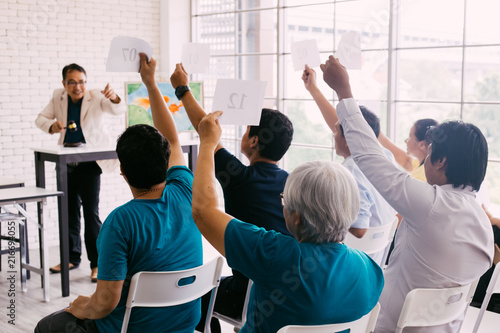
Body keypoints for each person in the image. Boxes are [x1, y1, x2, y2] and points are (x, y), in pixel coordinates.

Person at [321, 55, 494, 333]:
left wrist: (344, 92)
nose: (424, 162)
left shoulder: (432, 205)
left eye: (429, 156)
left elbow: (369, 155)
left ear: (441, 162)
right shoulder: (483, 226)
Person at [34, 55, 203, 333]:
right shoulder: (186, 189)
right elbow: (173, 139)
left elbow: (104, 304)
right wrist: (149, 81)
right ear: (167, 161)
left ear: (122, 170)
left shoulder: (120, 222)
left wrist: (79, 307)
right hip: (185, 323)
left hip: (132, 327)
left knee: (47, 325)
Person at [192, 110, 384, 332]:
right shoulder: (369, 269)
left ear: (297, 216)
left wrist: (207, 143)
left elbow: (202, 212)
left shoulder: (274, 254)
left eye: (284, 201)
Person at [169, 64, 294, 331]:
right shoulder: (294, 183)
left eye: (247, 129)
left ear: (253, 141)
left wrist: (182, 90)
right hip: (288, 288)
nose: (244, 132)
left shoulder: (241, 179)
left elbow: (208, 132)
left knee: (197, 298)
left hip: (250, 296)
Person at [35, 63, 125, 281]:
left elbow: (117, 109)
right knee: (68, 211)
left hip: (89, 163)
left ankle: (97, 264)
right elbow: (40, 119)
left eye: (82, 81)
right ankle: (71, 258)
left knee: (91, 214)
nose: (78, 87)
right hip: (65, 160)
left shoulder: (95, 96)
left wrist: (113, 97)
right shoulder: (59, 96)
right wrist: (52, 126)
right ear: (64, 83)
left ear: (87, 82)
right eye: (72, 82)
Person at [302, 66, 396, 256]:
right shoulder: (386, 156)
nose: (333, 134)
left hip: (355, 262)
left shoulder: (351, 171)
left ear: (349, 137)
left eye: (336, 131)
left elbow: (359, 230)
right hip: (379, 260)